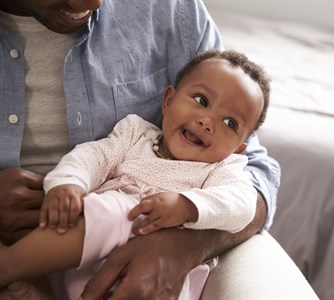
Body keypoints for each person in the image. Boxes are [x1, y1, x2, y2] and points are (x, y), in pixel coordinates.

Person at [0, 0, 280, 299]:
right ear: (168, 100)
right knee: (111, 211)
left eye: (229, 122)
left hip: (146, 270)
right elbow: (94, 156)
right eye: (201, 101)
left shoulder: (225, 168)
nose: (207, 122)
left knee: (120, 210)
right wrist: (68, 183)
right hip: (67, 255)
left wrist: (187, 214)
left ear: (239, 148)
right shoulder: (135, 133)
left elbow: (242, 201)